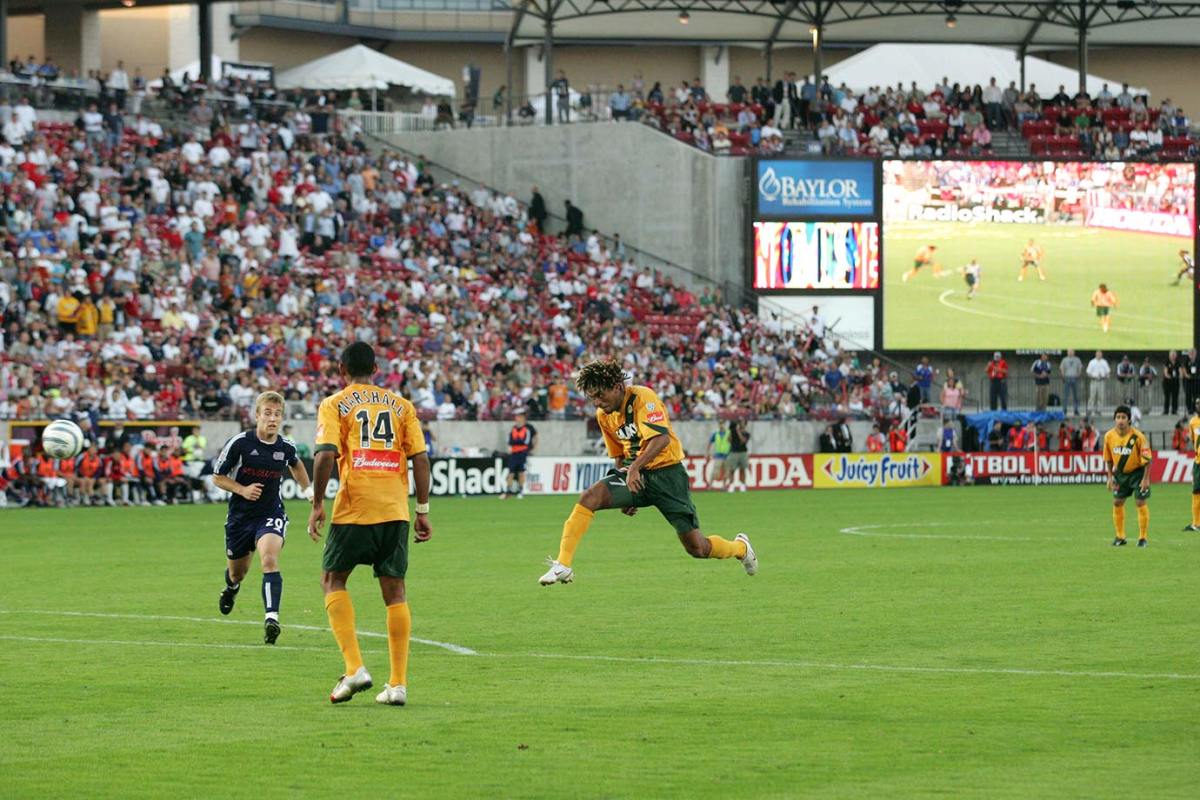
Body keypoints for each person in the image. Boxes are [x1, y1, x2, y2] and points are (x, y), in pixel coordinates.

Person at [537, 359, 756, 586]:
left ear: (618, 386)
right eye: (592, 397)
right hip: (637, 475)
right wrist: (624, 490)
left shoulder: (643, 398)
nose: (597, 402)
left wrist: (634, 468)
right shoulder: (604, 415)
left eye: (601, 395)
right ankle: (563, 564)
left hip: (668, 475)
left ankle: (740, 548)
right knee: (589, 497)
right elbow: (619, 454)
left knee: (697, 548)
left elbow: (661, 439)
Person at [307, 343, 432, 706]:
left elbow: (325, 455)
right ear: (376, 368)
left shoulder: (334, 403)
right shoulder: (402, 406)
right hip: (395, 509)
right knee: (395, 591)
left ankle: (355, 667)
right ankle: (397, 685)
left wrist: (317, 503)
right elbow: (420, 459)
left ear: (340, 368)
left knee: (332, 579)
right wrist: (422, 509)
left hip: (355, 505)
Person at [212, 392, 311, 645]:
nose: (272, 419)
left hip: (271, 514)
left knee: (269, 559)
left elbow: (296, 465)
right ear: (257, 416)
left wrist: (308, 492)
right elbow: (218, 477)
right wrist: (242, 490)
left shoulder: (285, 446)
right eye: (267, 413)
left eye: (277, 414)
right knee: (237, 574)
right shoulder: (240, 443)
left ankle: (272, 619)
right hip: (240, 518)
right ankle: (232, 589)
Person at [1103, 405, 1152, 547]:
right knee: (1117, 502)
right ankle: (1120, 537)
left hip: (1138, 473)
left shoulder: (1138, 437)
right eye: (1118, 417)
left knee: (1140, 502)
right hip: (1120, 475)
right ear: (1114, 419)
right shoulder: (1109, 436)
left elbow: (1147, 459)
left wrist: (1146, 479)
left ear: (1129, 419)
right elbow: (1108, 459)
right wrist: (1110, 477)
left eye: (1123, 417)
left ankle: (1143, 538)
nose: (1120, 420)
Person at [502, 412, 537, 499]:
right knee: (511, 472)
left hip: (522, 453)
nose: (517, 420)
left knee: (521, 472)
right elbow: (510, 441)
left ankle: (521, 491)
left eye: (519, 418)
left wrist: (516, 441)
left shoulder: (526, 430)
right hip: (514, 453)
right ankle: (507, 491)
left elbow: (525, 441)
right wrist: (518, 441)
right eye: (517, 418)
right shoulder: (513, 429)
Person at [1184, 400, 1200, 532]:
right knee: (1196, 491)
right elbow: (1193, 439)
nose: (1198, 406)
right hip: (1198, 462)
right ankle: (1196, 523)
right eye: (1197, 403)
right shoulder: (1193, 422)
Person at [726, 419, 751, 491]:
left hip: (742, 452)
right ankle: (731, 485)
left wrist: (738, 431)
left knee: (742, 469)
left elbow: (743, 441)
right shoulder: (733, 432)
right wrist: (731, 432)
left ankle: (742, 485)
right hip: (733, 452)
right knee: (732, 470)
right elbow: (728, 440)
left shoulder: (746, 433)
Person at [706, 420, 731, 487]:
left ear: (724, 424)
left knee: (727, 471)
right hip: (718, 455)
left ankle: (724, 485)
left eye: (722, 424)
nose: (721, 425)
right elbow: (710, 442)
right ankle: (710, 485)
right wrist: (708, 452)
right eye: (720, 424)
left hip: (727, 455)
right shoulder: (715, 433)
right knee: (715, 471)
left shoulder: (729, 433)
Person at [1060, 349, 1083, 417]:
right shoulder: (1064, 359)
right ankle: (1064, 409)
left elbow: (1080, 367)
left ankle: (1076, 410)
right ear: (1067, 353)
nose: (1070, 353)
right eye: (1069, 352)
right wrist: (1063, 376)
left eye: (1071, 352)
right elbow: (1061, 368)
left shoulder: (1077, 359)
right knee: (1065, 395)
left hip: (1074, 378)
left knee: (1076, 396)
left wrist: (1079, 374)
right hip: (1067, 377)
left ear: (1074, 352)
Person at [1086, 350, 1110, 415]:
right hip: (1094, 380)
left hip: (1101, 381)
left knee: (1100, 396)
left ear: (1101, 355)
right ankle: (1090, 410)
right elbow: (1088, 372)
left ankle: (1099, 410)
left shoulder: (1104, 362)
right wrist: (1093, 376)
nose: (1099, 355)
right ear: (1096, 354)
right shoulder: (1092, 362)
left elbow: (1107, 372)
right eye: (1098, 354)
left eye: (1100, 354)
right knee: (1092, 396)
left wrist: (1104, 376)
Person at [1163, 351, 1182, 417]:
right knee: (1167, 396)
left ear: (1176, 356)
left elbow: (1180, 371)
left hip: (1175, 382)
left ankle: (1174, 410)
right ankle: (1166, 410)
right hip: (1167, 382)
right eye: (1172, 355)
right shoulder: (1167, 362)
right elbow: (1165, 372)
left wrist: (1180, 375)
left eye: (1174, 355)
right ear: (1169, 356)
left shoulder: (1178, 362)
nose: (1173, 356)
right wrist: (1168, 376)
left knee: (1175, 396)